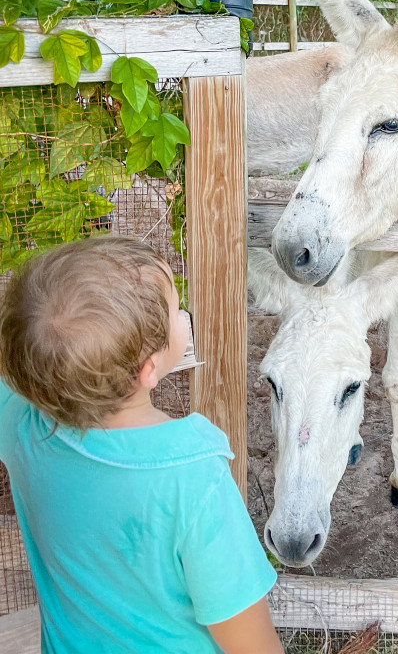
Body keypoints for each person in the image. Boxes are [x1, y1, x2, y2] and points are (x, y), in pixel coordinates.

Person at [0, 234, 283, 654]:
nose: (184, 314)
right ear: (148, 369)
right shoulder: (193, 478)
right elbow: (253, 645)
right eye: (174, 310)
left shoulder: (22, 422)